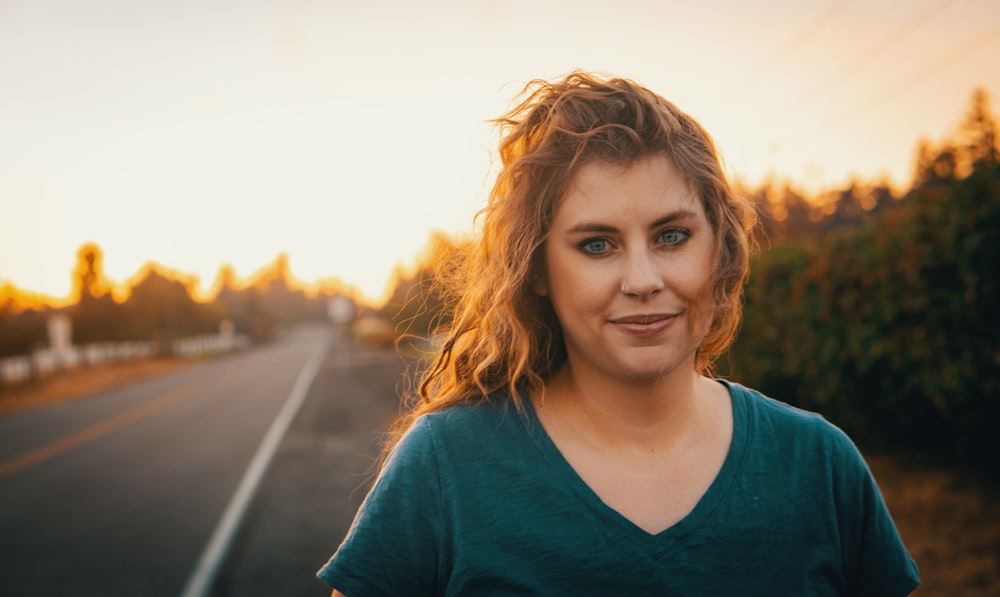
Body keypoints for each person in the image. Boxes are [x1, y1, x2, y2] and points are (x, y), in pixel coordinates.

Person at [316, 71, 920, 596]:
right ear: (539, 271)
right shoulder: (443, 467)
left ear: (721, 248)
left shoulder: (819, 464)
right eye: (597, 245)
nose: (642, 279)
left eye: (672, 236)